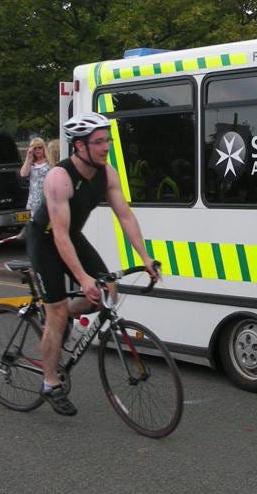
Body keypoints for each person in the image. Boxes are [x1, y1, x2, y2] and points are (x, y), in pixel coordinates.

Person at [26, 113, 158, 416]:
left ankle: (62, 320)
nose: (105, 146)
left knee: (106, 289)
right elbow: (58, 236)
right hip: (45, 240)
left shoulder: (107, 173)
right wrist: (83, 278)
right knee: (57, 311)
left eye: (107, 140)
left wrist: (145, 258)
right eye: (99, 142)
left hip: (71, 236)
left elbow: (125, 216)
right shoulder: (59, 178)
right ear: (80, 146)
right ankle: (49, 383)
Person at [20, 137, 51, 214]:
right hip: (34, 201)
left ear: (44, 148)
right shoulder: (31, 163)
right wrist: (28, 158)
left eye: (40, 147)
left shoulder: (49, 162)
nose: (37, 150)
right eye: (35, 148)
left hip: (47, 199)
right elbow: (23, 174)